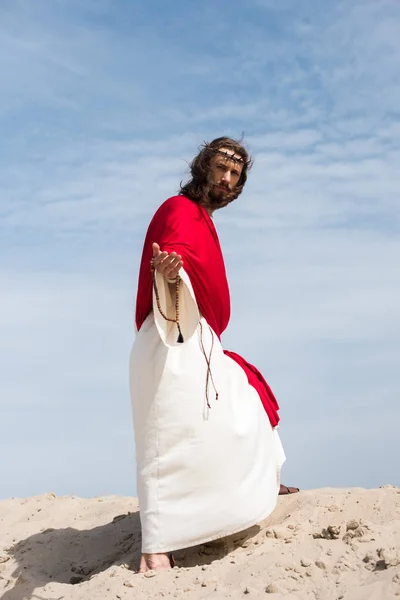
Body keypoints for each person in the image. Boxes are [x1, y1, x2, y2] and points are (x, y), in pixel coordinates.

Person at [130, 136, 298, 574]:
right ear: (203, 166)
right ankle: (157, 549)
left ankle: (262, 483)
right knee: (167, 439)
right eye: (221, 169)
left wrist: (174, 269)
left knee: (239, 404)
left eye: (235, 175)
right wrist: (169, 271)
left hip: (195, 338)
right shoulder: (179, 209)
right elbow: (171, 256)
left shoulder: (203, 218)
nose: (226, 179)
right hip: (170, 336)